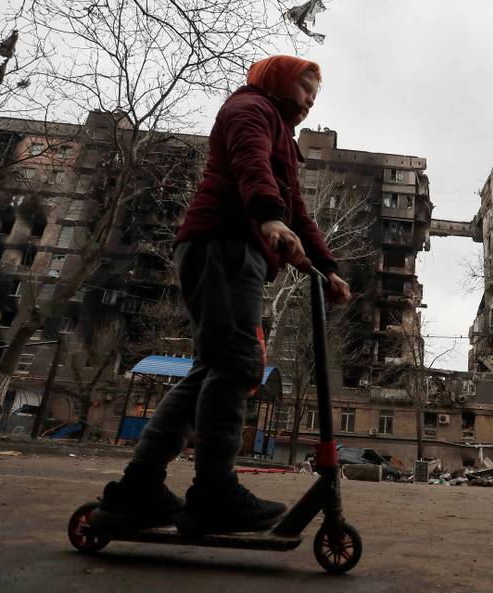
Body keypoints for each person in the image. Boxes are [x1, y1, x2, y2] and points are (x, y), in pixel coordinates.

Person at [97, 55, 351, 535]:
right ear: (276, 81)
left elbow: (297, 209)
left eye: (317, 92)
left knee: (213, 369)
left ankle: (140, 488)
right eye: (305, 87)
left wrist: (326, 268)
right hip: (224, 244)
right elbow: (248, 162)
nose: (311, 99)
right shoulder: (250, 109)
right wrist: (267, 215)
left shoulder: (282, 134)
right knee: (234, 365)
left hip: (232, 247)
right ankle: (214, 492)